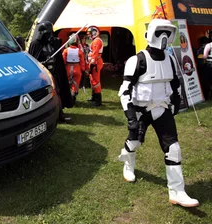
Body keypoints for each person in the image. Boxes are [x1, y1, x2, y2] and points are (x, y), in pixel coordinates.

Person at [117, 19, 199, 207]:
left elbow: (174, 82)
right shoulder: (137, 60)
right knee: (135, 142)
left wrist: (177, 99)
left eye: (167, 32)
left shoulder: (170, 59)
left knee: (173, 149)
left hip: (162, 109)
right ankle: (128, 165)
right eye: (159, 32)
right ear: (149, 34)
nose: (163, 37)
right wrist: (131, 117)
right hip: (140, 111)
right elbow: (125, 90)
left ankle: (177, 191)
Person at [28, 21, 74, 122]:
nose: (49, 36)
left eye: (50, 33)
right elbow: (33, 61)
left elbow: (58, 57)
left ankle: (59, 114)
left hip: (54, 73)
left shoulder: (52, 43)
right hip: (42, 75)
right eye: (47, 34)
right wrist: (42, 63)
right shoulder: (35, 44)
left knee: (57, 92)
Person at [62, 34, 86, 101]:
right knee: (75, 86)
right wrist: (83, 71)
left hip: (68, 69)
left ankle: (66, 99)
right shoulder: (80, 51)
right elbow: (82, 63)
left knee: (66, 85)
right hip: (77, 69)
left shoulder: (65, 51)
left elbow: (63, 61)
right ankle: (73, 98)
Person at [86, 25, 104, 106]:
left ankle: (98, 100)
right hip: (94, 62)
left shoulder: (97, 41)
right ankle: (94, 96)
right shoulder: (95, 40)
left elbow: (95, 54)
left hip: (95, 63)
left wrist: (92, 64)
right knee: (92, 80)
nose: (88, 35)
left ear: (94, 32)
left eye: (90, 33)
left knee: (95, 81)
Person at [201, 36, 212, 100]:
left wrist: (200, 56)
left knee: (207, 82)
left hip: (210, 66)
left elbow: (205, 56)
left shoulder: (209, 45)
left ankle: (206, 96)